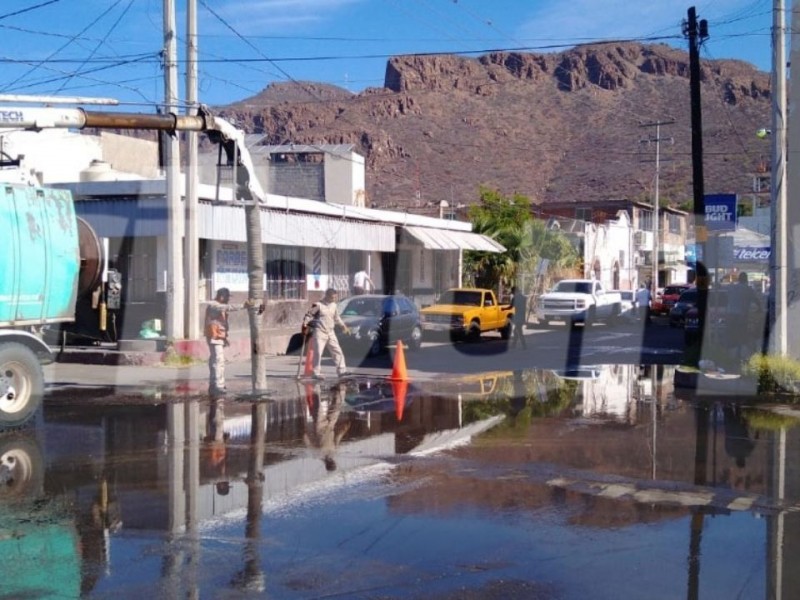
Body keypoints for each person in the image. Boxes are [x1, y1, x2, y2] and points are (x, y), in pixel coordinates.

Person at [204, 287, 255, 395]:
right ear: (222, 296)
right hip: (214, 337)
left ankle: (214, 384)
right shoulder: (215, 305)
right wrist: (243, 306)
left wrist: (225, 338)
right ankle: (218, 385)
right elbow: (228, 307)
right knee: (218, 361)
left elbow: (221, 323)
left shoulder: (218, 306)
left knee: (215, 361)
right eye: (227, 297)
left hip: (217, 337)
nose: (228, 299)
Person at [302, 288, 351, 380]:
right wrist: (305, 326)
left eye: (335, 297)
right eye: (332, 297)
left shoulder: (334, 305)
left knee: (337, 350)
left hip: (330, 332)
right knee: (318, 352)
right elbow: (308, 315)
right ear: (327, 296)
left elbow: (336, 318)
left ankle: (342, 371)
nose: (334, 299)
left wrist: (343, 326)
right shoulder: (317, 305)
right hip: (320, 332)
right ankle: (316, 373)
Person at [303, 381, 351, 471]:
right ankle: (340, 389)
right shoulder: (333, 452)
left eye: (331, 464)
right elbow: (337, 438)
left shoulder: (318, 454)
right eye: (333, 463)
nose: (332, 462)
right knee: (336, 407)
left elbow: (309, 444)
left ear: (327, 465)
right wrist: (344, 429)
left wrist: (305, 435)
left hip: (320, 427)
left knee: (318, 408)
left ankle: (315, 386)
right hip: (330, 426)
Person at [727, 272, 763, 359]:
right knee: (741, 334)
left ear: (739, 279)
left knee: (731, 334)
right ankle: (739, 353)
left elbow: (727, 297)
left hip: (730, 313)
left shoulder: (732, 287)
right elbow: (755, 300)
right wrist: (760, 309)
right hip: (741, 314)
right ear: (746, 280)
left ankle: (729, 352)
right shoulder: (748, 289)